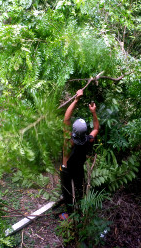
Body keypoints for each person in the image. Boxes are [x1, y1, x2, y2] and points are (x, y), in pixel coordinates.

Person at [59, 88, 100, 219]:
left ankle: (69, 214)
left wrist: (76, 99)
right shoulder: (89, 140)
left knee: (67, 192)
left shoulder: (68, 141)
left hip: (66, 171)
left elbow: (66, 118)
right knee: (79, 189)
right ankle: (80, 209)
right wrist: (93, 112)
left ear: (73, 131)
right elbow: (96, 128)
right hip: (78, 169)